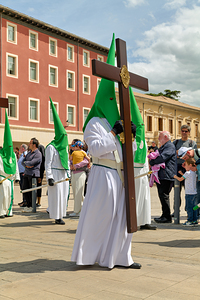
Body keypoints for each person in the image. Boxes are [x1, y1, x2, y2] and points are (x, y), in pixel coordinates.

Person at [71, 34, 142, 269]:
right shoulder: (94, 123)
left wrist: (130, 137)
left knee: (123, 219)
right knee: (99, 218)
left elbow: (128, 152)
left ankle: (121, 257)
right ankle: (89, 256)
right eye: (110, 98)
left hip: (122, 175)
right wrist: (114, 133)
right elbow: (96, 150)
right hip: (103, 174)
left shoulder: (119, 122)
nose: (114, 102)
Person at [45, 98, 70, 225]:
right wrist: (49, 177)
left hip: (63, 174)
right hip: (55, 173)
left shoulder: (65, 148)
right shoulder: (51, 147)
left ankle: (61, 214)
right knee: (56, 196)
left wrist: (68, 174)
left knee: (63, 196)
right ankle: (56, 216)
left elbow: (67, 161)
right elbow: (47, 164)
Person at [149, 131, 176, 223]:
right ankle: (164, 215)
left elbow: (163, 157)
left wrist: (151, 162)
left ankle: (167, 217)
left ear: (165, 137)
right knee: (162, 195)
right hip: (163, 174)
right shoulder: (165, 146)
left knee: (164, 195)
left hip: (166, 174)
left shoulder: (169, 146)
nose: (158, 139)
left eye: (160, 137)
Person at [172, 124, 197, 216]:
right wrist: (177, 153)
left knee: (189, 191)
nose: (184, 133)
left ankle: (189, 212)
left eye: (186, 131)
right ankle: (176, 211)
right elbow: (171, 154)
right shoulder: (175, 142)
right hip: (178, 167)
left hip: (188, 168)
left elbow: (194, 156)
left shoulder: (192, 143)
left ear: (189, 132)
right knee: (177, 191)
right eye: (182, 131)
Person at [0, 111, 20, 218]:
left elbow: (15, 166)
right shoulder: (0, 155)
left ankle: (9, 211)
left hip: (10, 179)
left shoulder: (12, 154)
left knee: (10, 197)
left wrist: (17, 177)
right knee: (3, 197)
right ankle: (1, 212)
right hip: (2, 179)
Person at [174, 158, 198, 226]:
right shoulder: (194, 172)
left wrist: (175, 176)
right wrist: (182, 173)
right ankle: (194, 220)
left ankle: (189, 221)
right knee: (194, 207)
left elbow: (181, 179)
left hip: (189, 193)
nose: (185, 166)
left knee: (189, 208)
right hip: (194, 193)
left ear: (190, 165)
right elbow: (187, 176)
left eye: (186, 165)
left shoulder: (187, 173)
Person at [69, 141, 90, 217]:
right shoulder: (74, 153)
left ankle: (78, 210)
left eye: (75, 146)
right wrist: (71, 165)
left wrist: (76, 165)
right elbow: (70, 160)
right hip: (74, 173)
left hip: (80, 173)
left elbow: (87, 160)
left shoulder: (83, 153)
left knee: (79, 192)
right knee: (76, 192)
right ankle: (79, 210)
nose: (73, 148)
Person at [22, 138, 42, 210]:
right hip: (27, 173)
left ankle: (32, 206)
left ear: (34, 145)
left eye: (30, 143)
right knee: (25, 189)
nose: (29, 145)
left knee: (32, 191)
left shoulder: (38, 154)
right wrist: (27, 165)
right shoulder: (29, 153)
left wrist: (27, 163)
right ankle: (28, 205)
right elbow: (22, 162)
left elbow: (32, 163)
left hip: (33, 174)